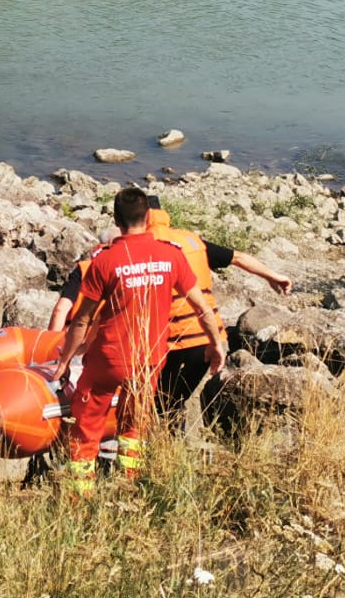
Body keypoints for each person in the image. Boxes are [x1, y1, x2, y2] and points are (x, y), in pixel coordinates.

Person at [52, 187, 226, 495]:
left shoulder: (105, 262)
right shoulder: (171, 255)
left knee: (87, 428)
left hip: (108, 360)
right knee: (134, 427)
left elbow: (81, 319)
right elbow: (202, 308)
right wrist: (216, 345)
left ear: (116, 220)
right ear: (148, 217)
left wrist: (64, 361)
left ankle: (81, 497)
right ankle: (129, 484)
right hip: (149, 361)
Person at [144, 197, 292, 418]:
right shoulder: (192, 241)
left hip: (168, 338)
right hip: (208, 336)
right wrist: (273, 276)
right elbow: (238, 257)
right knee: (176, 400)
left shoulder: (136, 246)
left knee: (157, 399)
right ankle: (173, 432)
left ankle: (158, 436)